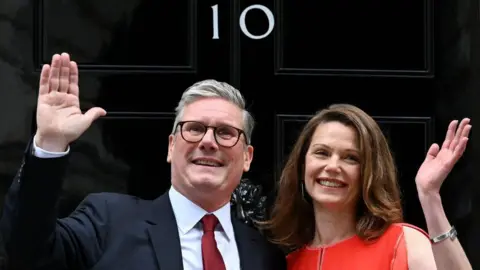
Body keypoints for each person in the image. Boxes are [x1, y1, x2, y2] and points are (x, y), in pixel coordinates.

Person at [0, 53, 286, 270]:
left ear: (247, 157)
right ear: (171, 147)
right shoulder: (108, 220)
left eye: (225, 133)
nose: (208, 142)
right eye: (195, 128)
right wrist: (50, 144)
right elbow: (26, 251)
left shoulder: (263, 254)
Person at [263, 104, 472, 270]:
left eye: (351, 158)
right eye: (322, 153)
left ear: (369, 172)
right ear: (302, 164)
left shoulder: (402, 243)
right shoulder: (289, 263)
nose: (333, 166)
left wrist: (429, 196)